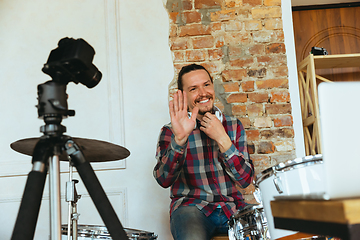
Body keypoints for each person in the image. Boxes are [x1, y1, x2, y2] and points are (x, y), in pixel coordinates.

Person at [153, 64, 254, 240]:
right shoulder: (171, 131)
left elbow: (245, 180)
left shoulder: (233, 125)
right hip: (190, 208)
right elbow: (163, 179)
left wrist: (222, 138)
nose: (203, 93)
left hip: (233, 207)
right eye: (193, 88)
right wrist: (179, 141)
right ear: (182, 95)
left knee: (271, 228)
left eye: (206, 85)